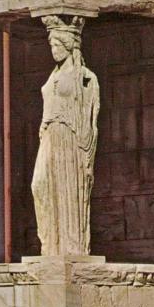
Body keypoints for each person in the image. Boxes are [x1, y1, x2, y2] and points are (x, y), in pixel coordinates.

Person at [31, 15, 100, 256]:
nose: (54, 51)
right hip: (50, 135)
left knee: (67, 189)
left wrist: (85, 153)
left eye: (58, 45)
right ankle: (52, 243)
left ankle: (71, 246)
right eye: (51, 46)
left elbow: (91, 118)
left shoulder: (85, 77)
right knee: (39, 184)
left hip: (70, 139)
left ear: (69, 45)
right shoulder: (54, 75)